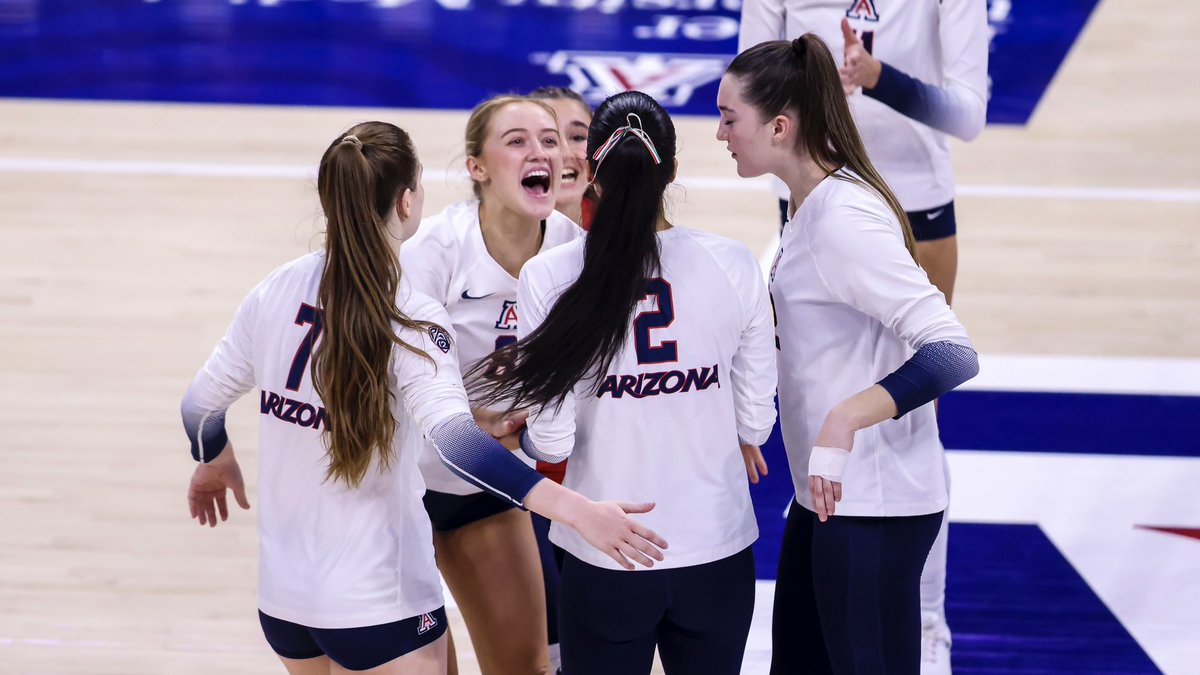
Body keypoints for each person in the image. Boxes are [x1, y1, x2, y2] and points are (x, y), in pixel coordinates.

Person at [180, 120, 667, 675]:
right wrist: (577, 511)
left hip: (286, 606)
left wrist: (212, 458)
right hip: (379, 605)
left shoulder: (275, 290)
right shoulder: (410, 317)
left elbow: (199, 408)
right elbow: (459, 446)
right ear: (407, 201)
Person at [471, 90, 778, 675]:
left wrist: (523, 440)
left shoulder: (550, 275)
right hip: (715, 549)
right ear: (672, 172)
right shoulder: (733, 263)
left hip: (603, 554)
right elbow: (757, 423)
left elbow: (553, 443)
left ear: (588, 173)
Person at [716, 38, 979, 675]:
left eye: (729, 118)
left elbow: (953, 351)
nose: (720, 133)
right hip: (826, 499)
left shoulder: (844, 218)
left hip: (875, 506)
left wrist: (845, 418)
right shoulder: (811, 203)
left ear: (779, 126)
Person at [399, 95, 583, 675]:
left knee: (524, 668)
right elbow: (377, 376)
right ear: (477, 167)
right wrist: (464, 420)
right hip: (394, 489)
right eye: (518, 140)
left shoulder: (573, 250)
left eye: (550, 140)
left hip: (485, 488)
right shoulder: (430, 252)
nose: (541, 152)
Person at [529, 86, 596, 231]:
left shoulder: (626, 229)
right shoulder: (481, 234)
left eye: (578, 137)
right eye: (548, 140)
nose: (565, 153)